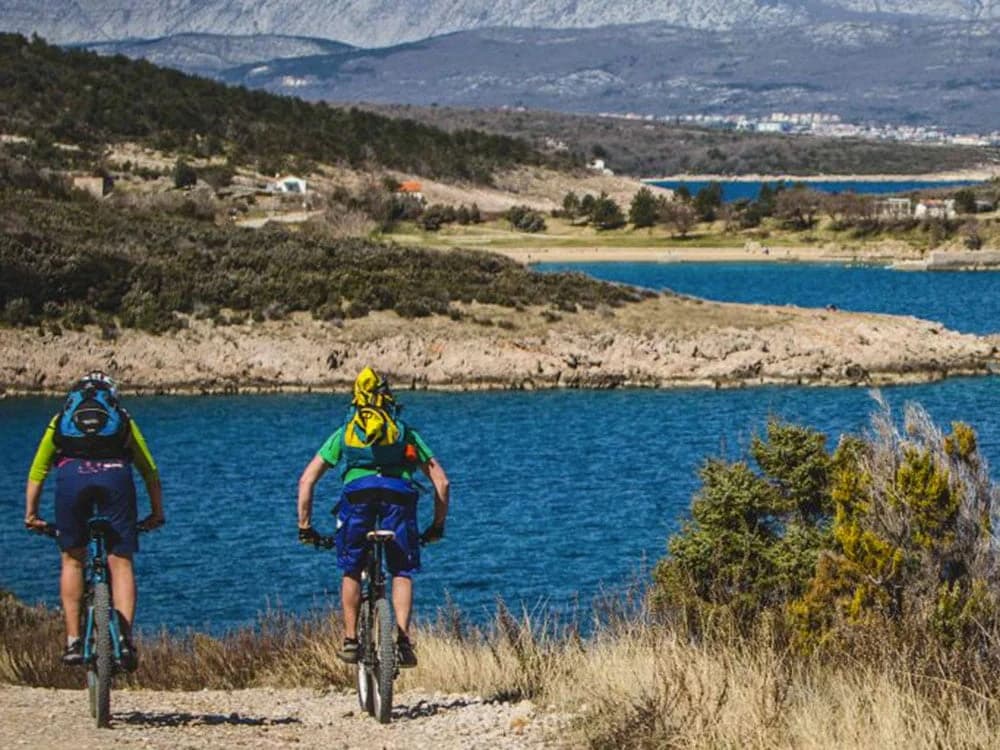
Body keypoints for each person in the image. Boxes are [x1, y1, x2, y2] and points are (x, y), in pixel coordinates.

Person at [297, 366, 450, 668]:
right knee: (401, 571)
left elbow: (307, 480)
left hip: (357, 501)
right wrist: (437, 525)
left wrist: (305, 526)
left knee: (352, 568)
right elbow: (442, 482)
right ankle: (404, 641)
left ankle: (351, 641)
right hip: (399, 501)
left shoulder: (345, 434)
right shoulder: (405, 433)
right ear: (388, 399)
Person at [23, 371, 165, 670]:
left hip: (72, 478)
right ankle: (124, 640)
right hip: (116, 476)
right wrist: (157, 512)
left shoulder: (61, 418)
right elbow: (149, 470)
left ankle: (74, 640)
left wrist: (31, 514)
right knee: (121, 561)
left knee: (73, 560)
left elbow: (38, 471)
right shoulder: (121, 417)